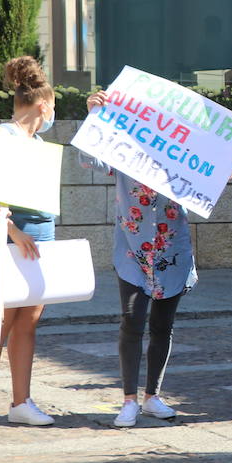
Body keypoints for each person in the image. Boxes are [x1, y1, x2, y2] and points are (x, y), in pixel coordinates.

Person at [84, 90, 200, 429]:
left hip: (172, 249)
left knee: (163, 325)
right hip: (133, 249)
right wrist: (94, 116)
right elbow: (90, 159)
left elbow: (205, 181)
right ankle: (129, 400)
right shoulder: (123, 149)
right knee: (132, 321)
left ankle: (152, 395)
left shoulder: (181, 154)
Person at [0, 57, 58, 431]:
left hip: (41, 238)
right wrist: (12, 232)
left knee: (28, 322)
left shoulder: (37, 141)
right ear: (43, 104)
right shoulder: (3, 136)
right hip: (10, 240)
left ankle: (21, 401)